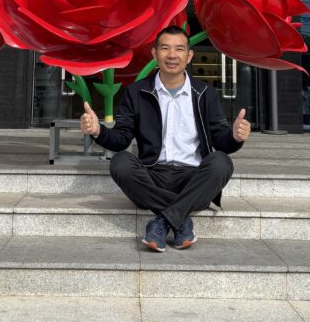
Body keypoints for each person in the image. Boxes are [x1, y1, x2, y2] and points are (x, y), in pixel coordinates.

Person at [80, 25, 251, 251]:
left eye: (179, 49)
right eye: (165, 48)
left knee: (221, 162)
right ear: (155, 53)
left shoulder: (205, 93)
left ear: (189, 56)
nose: (172, 55)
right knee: (121, 162)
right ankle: (181, 218)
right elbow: (121, 139)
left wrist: (235, 137)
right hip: (152, 178)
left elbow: (221, 141)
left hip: (193, 179)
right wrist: (97, 131)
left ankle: (161, 221)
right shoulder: (136, 92)